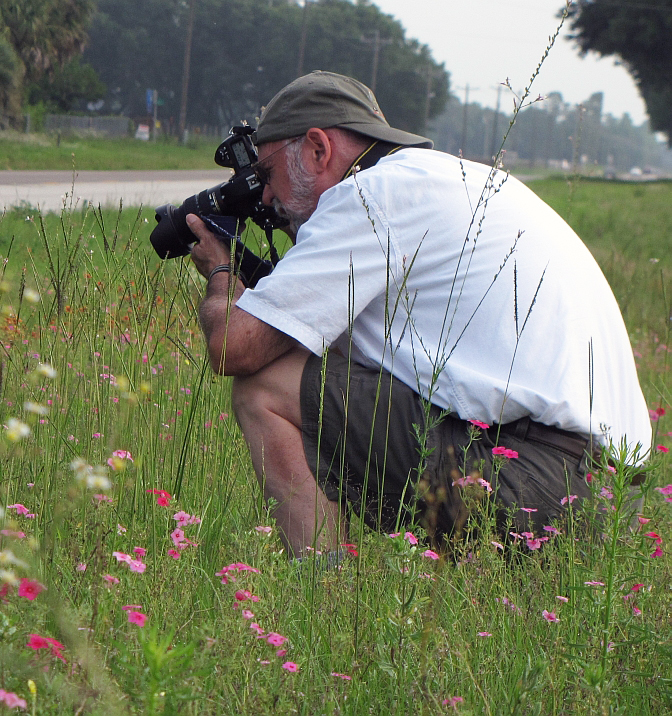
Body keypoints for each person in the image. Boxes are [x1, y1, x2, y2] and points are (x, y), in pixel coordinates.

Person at [185, 71, 651, 557]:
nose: (264, 196)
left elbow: (231, 347)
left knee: (265, 385)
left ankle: (323, 596)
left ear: (319, 149)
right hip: (614, 503)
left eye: (269, 172)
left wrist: (222, 271)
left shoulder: (369, 196)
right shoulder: (455, 181)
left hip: (534, 481)